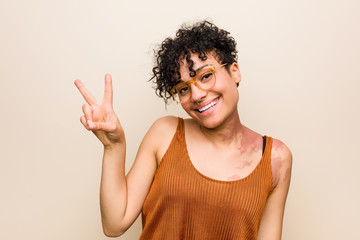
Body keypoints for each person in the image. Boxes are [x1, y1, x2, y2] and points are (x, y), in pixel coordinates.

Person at [74, 20, 292, 240]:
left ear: (234, 72)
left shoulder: (276, 158)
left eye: (206, 76)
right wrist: (113, 146)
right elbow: (114, 224)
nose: (196, 95)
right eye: (183, 89)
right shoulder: (165, 133)